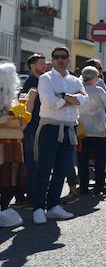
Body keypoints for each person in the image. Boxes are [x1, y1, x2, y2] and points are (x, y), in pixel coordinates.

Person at [33, 47, 87, 224]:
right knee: (44, 169)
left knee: (62, 170)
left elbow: (84, 100)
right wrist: (72, 99)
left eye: (63, 57)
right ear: (52, 59)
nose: (60, 60)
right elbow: (50, 103)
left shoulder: (75, 80)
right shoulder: (45, 78)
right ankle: (38, 208)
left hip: (70, 128)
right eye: (56, 57)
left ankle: (53, 206)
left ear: (68, 59)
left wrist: (62, 97)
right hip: (50, 127)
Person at [78, 66, 106, 196]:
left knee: (82, 159)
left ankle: (83, 186)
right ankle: (99, 186)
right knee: (100, 160)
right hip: (98, 129)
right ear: (95, 77)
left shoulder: (78, 89)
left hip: (82, 130)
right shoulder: (99, 89)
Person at [0, 63, 27, 228]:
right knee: (6, 180)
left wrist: (22, 116)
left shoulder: (13, 100)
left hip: (14, 145)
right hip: (3, 145)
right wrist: (9, 116)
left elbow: (22, 124)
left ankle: (3, 209)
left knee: (12, 182)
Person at [21, 53, 47, 207]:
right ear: (32, 66)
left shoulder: (35, 81)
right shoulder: (34, 82)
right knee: (33, 164)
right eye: (41, 64)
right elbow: (26, 107)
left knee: (32, 163)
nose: (45, 66)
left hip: (34, 127)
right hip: (32, 128)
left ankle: (29, 197)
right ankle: (32, 199)